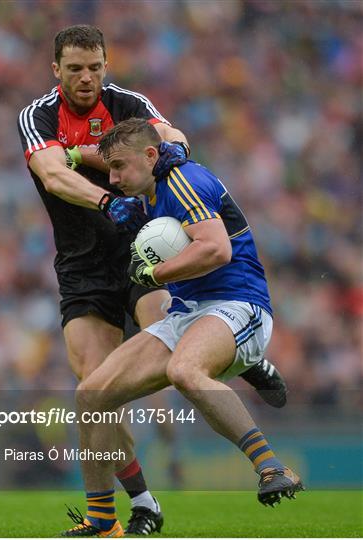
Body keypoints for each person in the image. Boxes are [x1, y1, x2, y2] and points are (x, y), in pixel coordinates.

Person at [17, 24, 286, 536]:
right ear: (56, 70)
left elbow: (174, 138)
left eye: (95, 67)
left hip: (144, 249)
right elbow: (51, 173)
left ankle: (241, 355)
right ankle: (135, 506)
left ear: (105, 64)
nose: (87, 78)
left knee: (178, 336)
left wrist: (170, 159)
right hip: (83, 266)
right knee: (94, 389)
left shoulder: (128, 102)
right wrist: (105, 199)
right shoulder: (39, 116)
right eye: (75, 69)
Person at [66, 118, 303, 537]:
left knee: (184, 371)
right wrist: (69, 154)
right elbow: (114, 157)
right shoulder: (153, 185)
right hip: (188, 312)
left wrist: (154, 275)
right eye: (110, 168)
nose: (113, 178)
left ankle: (270, 466)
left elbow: (215, 248)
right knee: (90, 395)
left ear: (151, 156)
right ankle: (103, 521)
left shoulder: (182, 182)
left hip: (238, 303)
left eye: (119, 167)